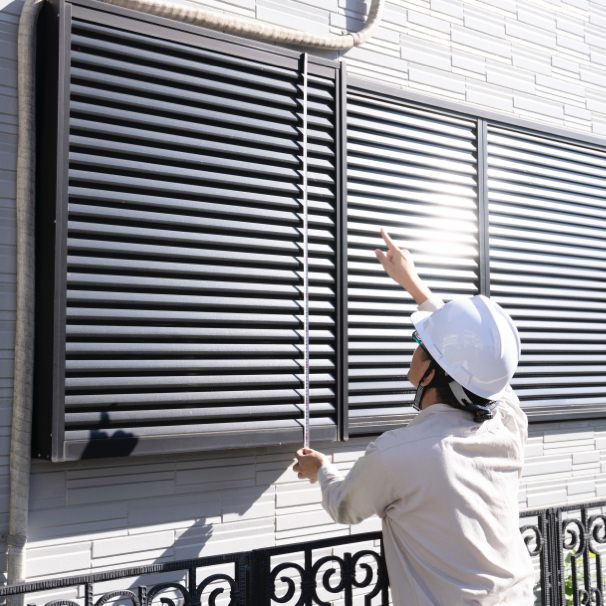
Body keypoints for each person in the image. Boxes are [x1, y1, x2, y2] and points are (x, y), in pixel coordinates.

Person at [293, 228, 535, 605]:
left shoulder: (400, 455)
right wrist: (414, 284)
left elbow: (345, 506)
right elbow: (483, 366)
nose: (415, 346)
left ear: (431, 372)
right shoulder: (508, 424)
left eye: (419, 343)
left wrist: (321, 470)